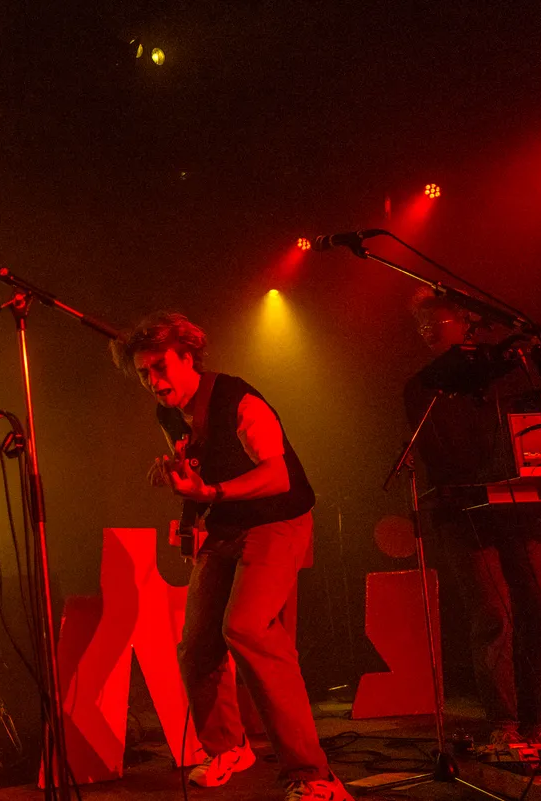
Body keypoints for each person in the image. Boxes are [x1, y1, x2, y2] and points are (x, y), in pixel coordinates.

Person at [111, 312, 352, 801]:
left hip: (278, 520)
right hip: (227, 524)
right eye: (143, 373)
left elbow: (278, 477)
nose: (152, 381)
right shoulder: (167, 414)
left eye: (160, 367)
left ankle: (315, 776)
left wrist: (212, 492)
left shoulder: (238, 399)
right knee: (197, 644)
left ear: (188, 358)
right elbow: (197, 472)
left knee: (246, 627)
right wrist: (180, 482)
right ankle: (228, 748)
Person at [404, 288, 541, 746]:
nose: (427, 331)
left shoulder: (507, 376)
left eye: (435, 321)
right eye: (420, 325)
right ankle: (504, 724)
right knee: (494, 619)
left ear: (466, 322)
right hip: (465, 516)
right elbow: (443, 456)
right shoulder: (423, 387)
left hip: (523, 512)